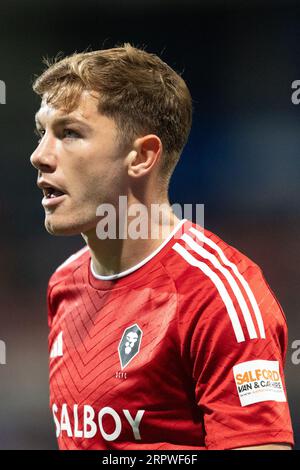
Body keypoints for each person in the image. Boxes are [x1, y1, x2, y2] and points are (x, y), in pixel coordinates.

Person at [30, 43, 294, 450]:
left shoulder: (217, 296)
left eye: (69, 133)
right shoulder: (63, 285)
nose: (39, 155)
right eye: (42, 132)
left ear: (141, 156)